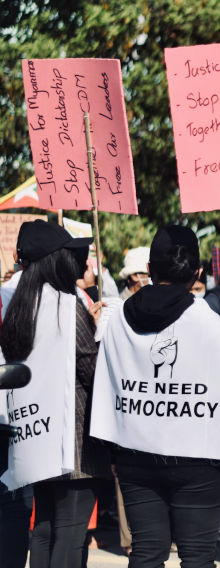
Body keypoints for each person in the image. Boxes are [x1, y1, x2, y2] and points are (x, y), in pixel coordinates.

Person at [89, 225, 220, 568]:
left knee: (146, 554)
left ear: (150, 269)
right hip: (198, 461)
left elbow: (107, 385)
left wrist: (111, 447)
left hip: (135, 454)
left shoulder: (119, 319)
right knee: (197, 558)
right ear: (196, 272)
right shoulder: (204, 320)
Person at [0, 220, 111, 568]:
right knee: (71, 532)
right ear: (54, 259)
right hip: (73, 442)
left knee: (45, 529)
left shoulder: (20, 302)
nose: (76, 261)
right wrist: (98, 334)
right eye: (70, 254)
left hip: (36, 437)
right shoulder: (66, 304)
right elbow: (90, 370)